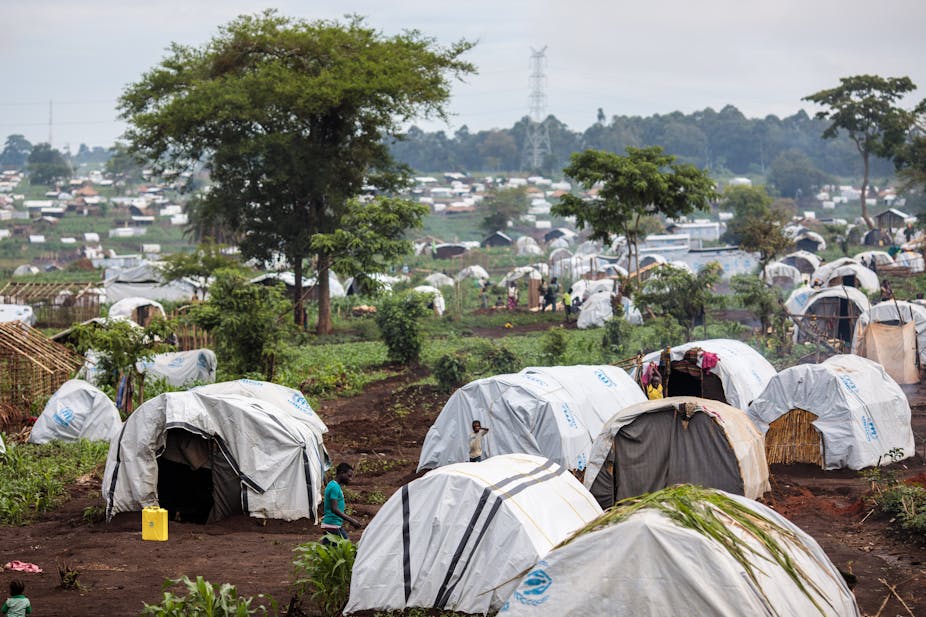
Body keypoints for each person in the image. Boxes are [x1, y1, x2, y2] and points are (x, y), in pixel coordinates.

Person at [321, 463, 362, 543]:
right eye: (349, 476)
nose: (350, 479)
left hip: (330, 524)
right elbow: (334, 509)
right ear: (342, 473)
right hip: (333, 525)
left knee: (329, 552)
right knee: (347, 549)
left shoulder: (333, 485)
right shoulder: (334, 487)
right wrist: (352, 521)